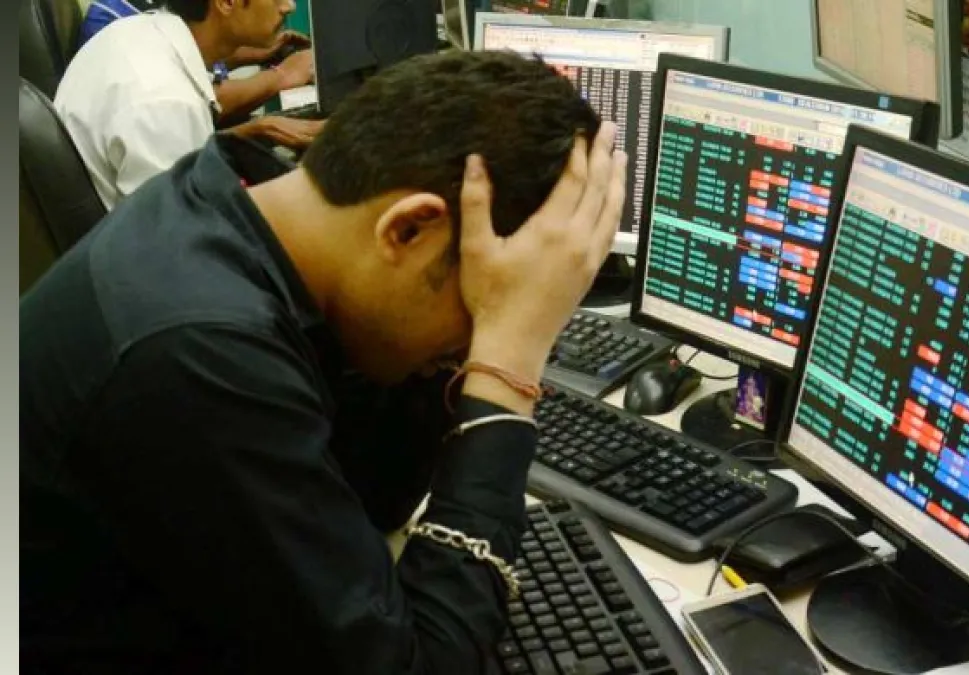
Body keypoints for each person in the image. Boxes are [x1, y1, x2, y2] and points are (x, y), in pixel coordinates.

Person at [21, 49, 626, 673]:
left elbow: (375, 498)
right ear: (407, 229)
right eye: (485, 310)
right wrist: (506, 370)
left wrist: (470, 335)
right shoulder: (200, 352)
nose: (472, 349)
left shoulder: (234, 202)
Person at [55, 0, 324, 210]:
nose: (289, 6)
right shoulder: (164, 102)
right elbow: (174, 239)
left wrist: (246, 135)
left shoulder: (135, 32)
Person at [76, 0, 317, 125]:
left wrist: (242, 54)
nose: (289, 6)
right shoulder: (166, 102)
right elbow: (172, 211)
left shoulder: (141, 26)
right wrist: (282, 75)